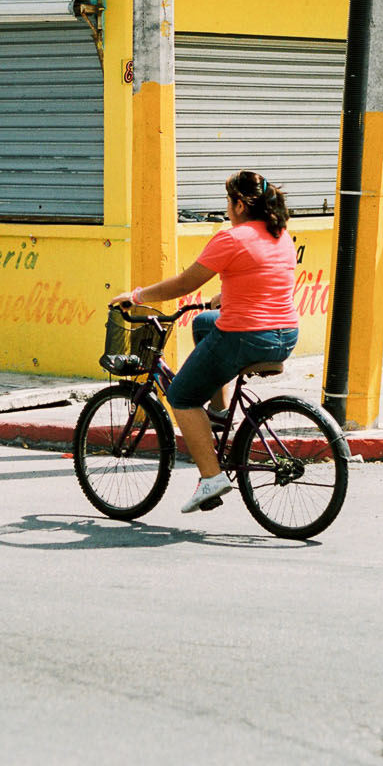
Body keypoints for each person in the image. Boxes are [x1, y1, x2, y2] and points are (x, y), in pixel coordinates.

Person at [113, 170, 299, 513]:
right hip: (284, 335)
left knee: (181, 396)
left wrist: (137, 296)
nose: (227, 208)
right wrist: (225, 297)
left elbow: (184, 284)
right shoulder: (280, 234)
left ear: (239, 205)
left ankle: (211, 478)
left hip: (246, 337)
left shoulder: (231, 238)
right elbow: (265, 278)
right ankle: (219, 412)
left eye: (228, 202)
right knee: (203, 322)